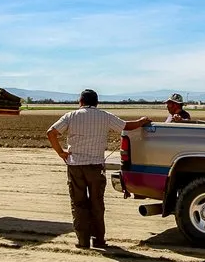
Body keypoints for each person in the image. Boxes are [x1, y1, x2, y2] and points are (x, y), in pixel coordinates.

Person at [47, 89, 151, 249]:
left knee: (78, 203)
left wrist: (61, 152)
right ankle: (99, 240)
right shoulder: (104, 116)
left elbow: (51, 133)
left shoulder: (71, 116)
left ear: (80, 102)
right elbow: (126, 126)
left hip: (75, 166)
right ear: (97, 103)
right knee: (97, 203)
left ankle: (83, 241)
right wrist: (142, 121)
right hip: (96, 167)